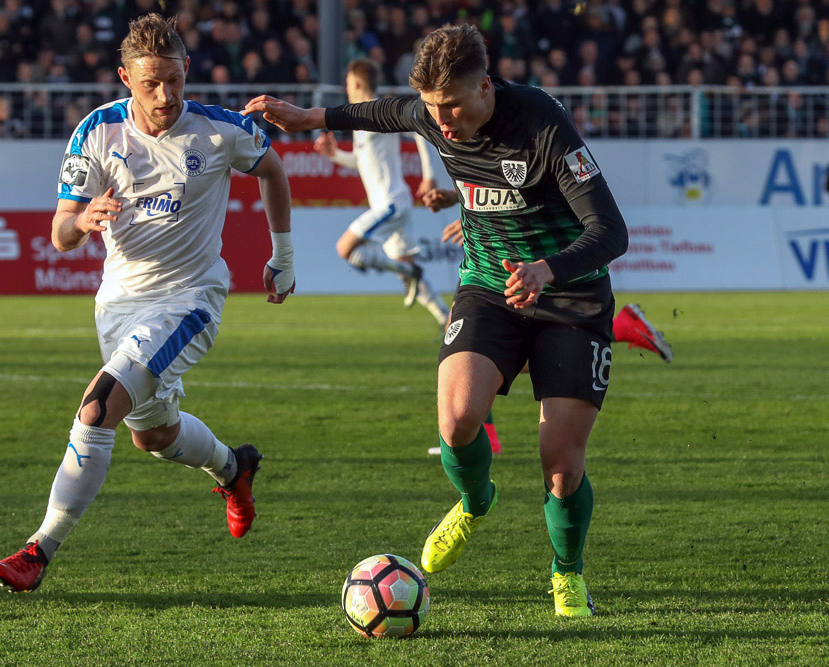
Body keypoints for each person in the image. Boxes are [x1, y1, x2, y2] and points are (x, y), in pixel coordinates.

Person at [245, 23, 629, 617]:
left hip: (570, 299)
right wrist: (308, 118)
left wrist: (546, 270)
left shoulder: (543, 122)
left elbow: (611, 232)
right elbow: (380, 111)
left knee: (560, 467)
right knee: (456, 421)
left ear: (486, 87)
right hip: (488, 288)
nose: (441, 121)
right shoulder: (430, 113)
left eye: (451, 105)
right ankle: (476, 501)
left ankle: (567, 572)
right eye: (432, 108)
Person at [0, 14, 295, 593]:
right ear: (126, 76)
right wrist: (81, 219)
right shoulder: (96, 132)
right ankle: (235, 468)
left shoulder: (219, 129)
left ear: (186, 71)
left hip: (191, 299)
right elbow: (60, 233)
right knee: (151, 436)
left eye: (174, 79)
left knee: (97, 407)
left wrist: (284, 256)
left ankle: (38, 549)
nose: (165, 95)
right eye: (151, 83)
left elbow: (273, 170)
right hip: (120, 303)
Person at [313, 58, 450, 326]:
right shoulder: (360, 118)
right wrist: (335, 155)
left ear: (356, 83)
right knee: (408, 276)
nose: (346, 88)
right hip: (391, 205)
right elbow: (361, 161)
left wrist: (429, 175)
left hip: (391, 204)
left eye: (347, 83)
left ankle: (409, 269)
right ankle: (446, 320)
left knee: (345, 248)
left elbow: (419, 132)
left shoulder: (380, 111)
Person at [436, 216, 672, 362]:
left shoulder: (542, 141)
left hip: (504, 253)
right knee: (474, 350)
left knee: (471, 348)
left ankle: (478, 439)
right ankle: (622, 327)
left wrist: (484, 216)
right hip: (489, 249)